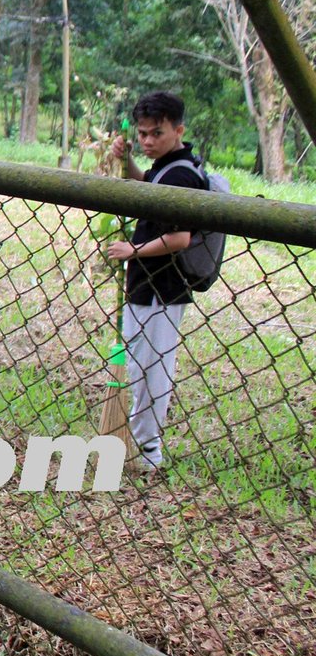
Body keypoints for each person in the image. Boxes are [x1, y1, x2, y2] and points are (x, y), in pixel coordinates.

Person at [102, 91, 206, 472]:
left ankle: (148, 453)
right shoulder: (167, 166)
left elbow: (180, 238)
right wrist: (125, 160)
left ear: (178, 129)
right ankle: (141, 446)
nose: (147, 141)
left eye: (156, 134)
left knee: (151, 373)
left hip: (163, 290)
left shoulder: (181, 174)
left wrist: (133, 250)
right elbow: (147, 183)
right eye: (142, 134)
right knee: (139, 367)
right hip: (146, 288)